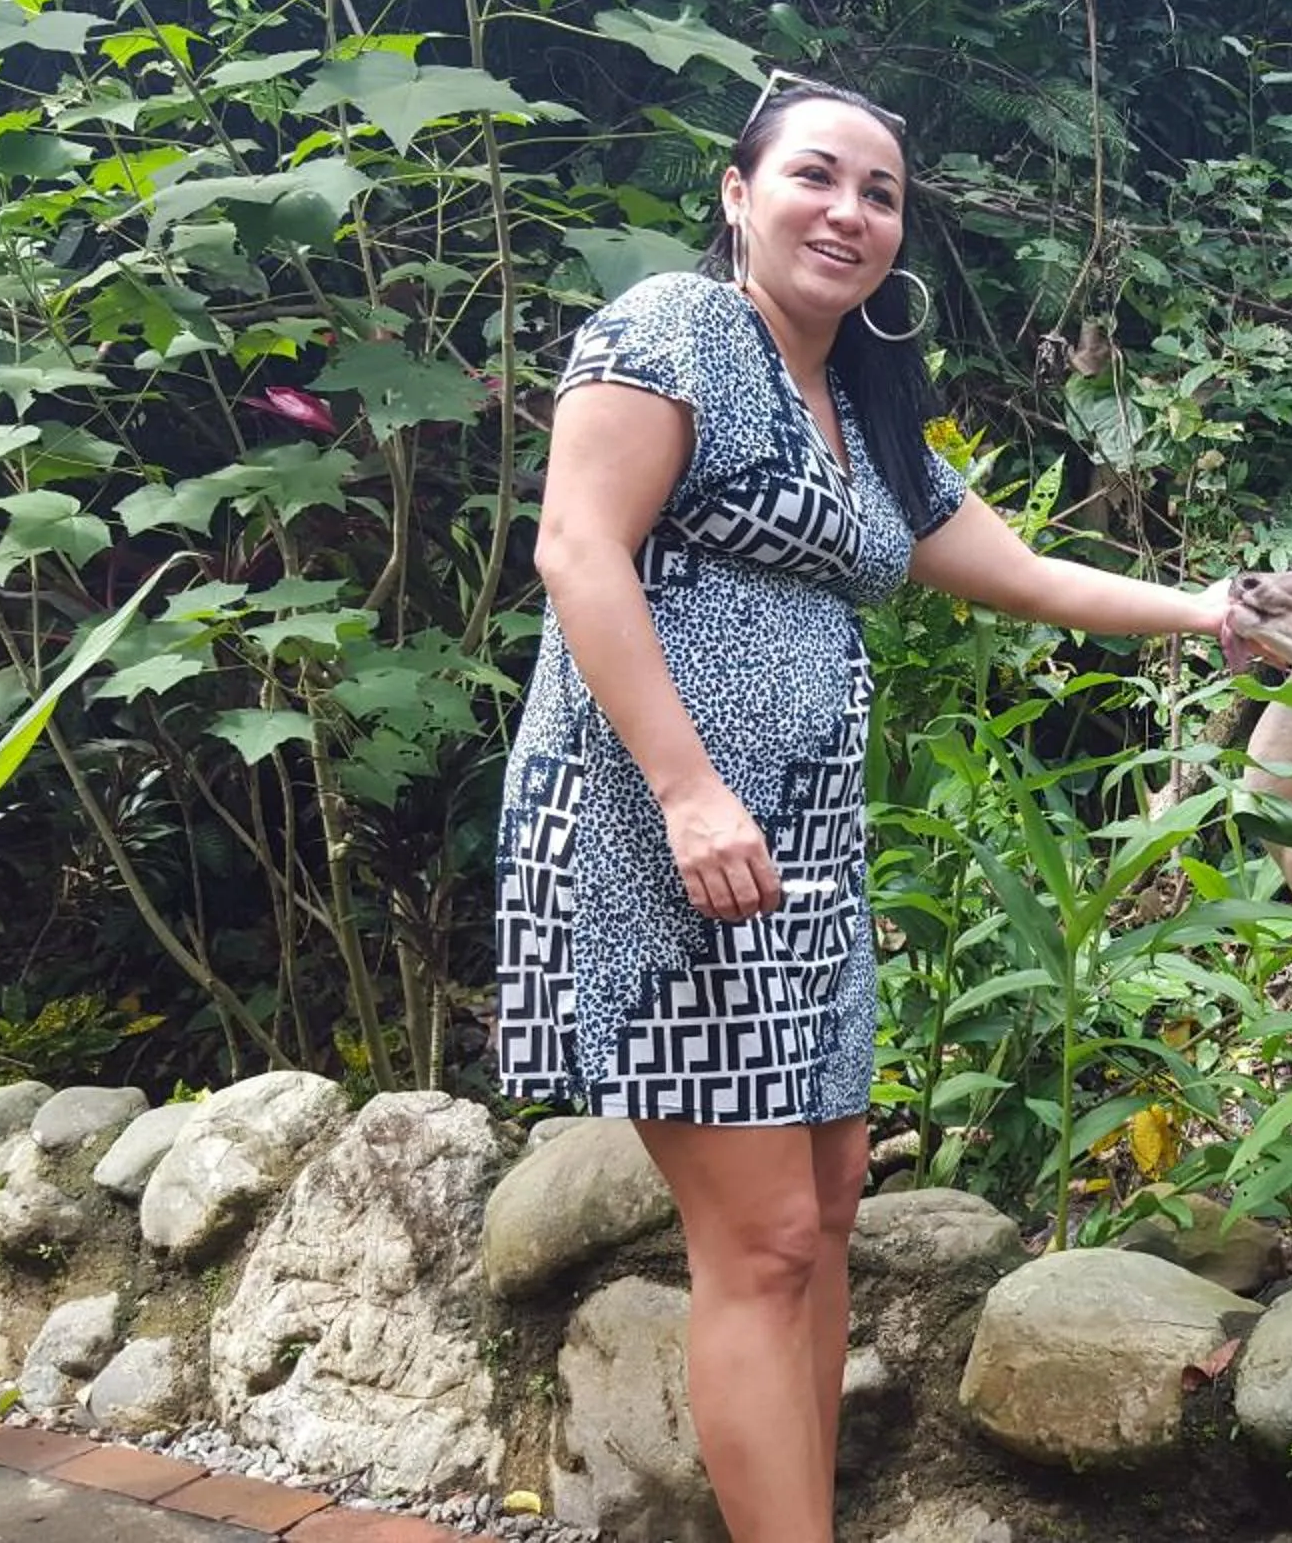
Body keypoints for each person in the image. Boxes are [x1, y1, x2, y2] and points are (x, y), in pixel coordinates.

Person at [495, 76, 1228, 1543]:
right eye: (816, 177)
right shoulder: (672, 327)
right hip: (665, 832)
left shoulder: (863, 411)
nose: (849, 212)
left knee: (824, 1214)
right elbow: (578, 549)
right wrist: (690, 793)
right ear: (738, 194)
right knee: (762, 1240)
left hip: (804, 853)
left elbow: (1028, 574)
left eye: (880, 193)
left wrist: (1220, 614)